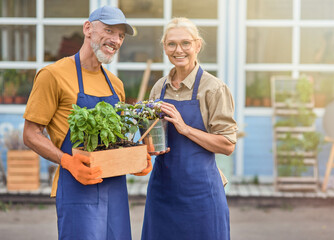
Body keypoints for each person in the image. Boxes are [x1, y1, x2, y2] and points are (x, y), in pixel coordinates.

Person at [23, 6, 151, 240]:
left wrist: (135, 158)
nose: (115, 40)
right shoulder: (53, 75)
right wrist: (68, 162)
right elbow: (31, 134)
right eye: (109, 30)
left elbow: (116, 140)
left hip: (115, 188)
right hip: (77, 184)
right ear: (88, 28)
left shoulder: (116, 84)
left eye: (121, 35)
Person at [141, 17, 238, 240]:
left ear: (198, 45)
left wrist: (185, 129)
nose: (179, 50)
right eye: (172, 44)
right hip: (162, 192)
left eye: (186, 43)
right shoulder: (159, 88)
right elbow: (155, 140)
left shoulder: (213, 89)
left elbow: (227, 145)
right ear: (164, 47)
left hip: (201, 194)